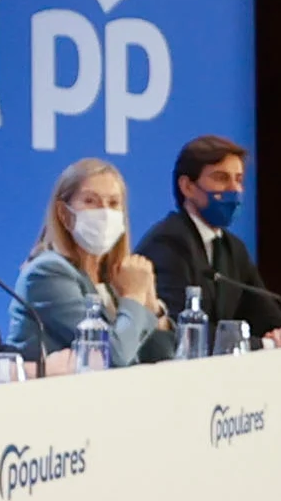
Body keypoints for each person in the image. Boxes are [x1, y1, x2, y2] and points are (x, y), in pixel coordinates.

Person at [13, 154, 173, 369]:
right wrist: (134, 296)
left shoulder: (115, 275)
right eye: (90, 201)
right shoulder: (47, 273)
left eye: (113, 203)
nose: (104, 212)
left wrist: (151, 303)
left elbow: (162, 359)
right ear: (63, 213)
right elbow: (110, 357)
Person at [140, 134, 281, 341]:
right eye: (221, 178)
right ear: (188, 187)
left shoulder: (232, 248)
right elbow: (180, 329)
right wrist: (265, 345)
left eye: (238, 179)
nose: (234, 190)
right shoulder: (167, 243)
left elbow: (268, 314)